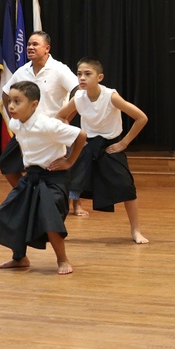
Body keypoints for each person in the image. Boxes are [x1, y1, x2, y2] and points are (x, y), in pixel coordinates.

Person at [0, 81, 87, 275]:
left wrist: (69, 161)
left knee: (49, 218)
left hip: (54, 177)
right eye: (10, 101)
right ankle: (19, 258)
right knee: (10, 212)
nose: (11, 106)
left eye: (17, 101)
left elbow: (81, 135)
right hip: (32, 176)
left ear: (34, 105)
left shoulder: (47, 124)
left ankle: (63, 260)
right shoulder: (15, 123)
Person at [55, 57, 150, 244]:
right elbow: (60, 116)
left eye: (87, 74)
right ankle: (57, 230)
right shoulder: (79, 97)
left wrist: (124, 143)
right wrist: (73, 136)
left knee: (126, 188)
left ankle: (136, 230)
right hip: (87, 145)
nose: (82, 78)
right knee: (66, 187)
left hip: (109, 147)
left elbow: (141, 118)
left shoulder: (111, 96)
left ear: (100, 77)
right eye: (79, 74)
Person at [0, 31, 79, 188]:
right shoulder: (22, 71)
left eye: (35, 44)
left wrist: (66, 118)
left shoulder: (59, 69)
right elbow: (5, 93)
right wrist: (15, 117)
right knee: (6, 163)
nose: (30, 47)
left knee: (60, 168)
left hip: (51, 129)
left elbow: (79, 94)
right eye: (28, 44)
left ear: (47, 48)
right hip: (27, 128)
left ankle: (73, 203)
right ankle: (24, 194)